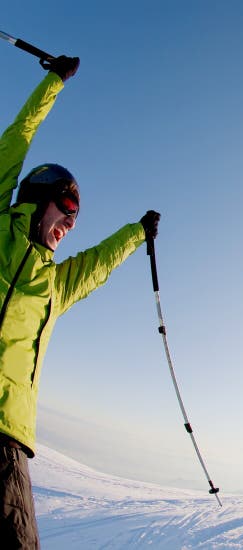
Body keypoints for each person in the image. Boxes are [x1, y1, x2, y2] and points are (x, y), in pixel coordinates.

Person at [0, 55, 160, 547]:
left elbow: (97, 263)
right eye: (66, 207)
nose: (70, 224)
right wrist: (53, 82)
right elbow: (18, 136)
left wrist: (136, 233)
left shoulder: (53, 285)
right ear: (37, 196)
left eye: (76, 218)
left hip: (7, 442)